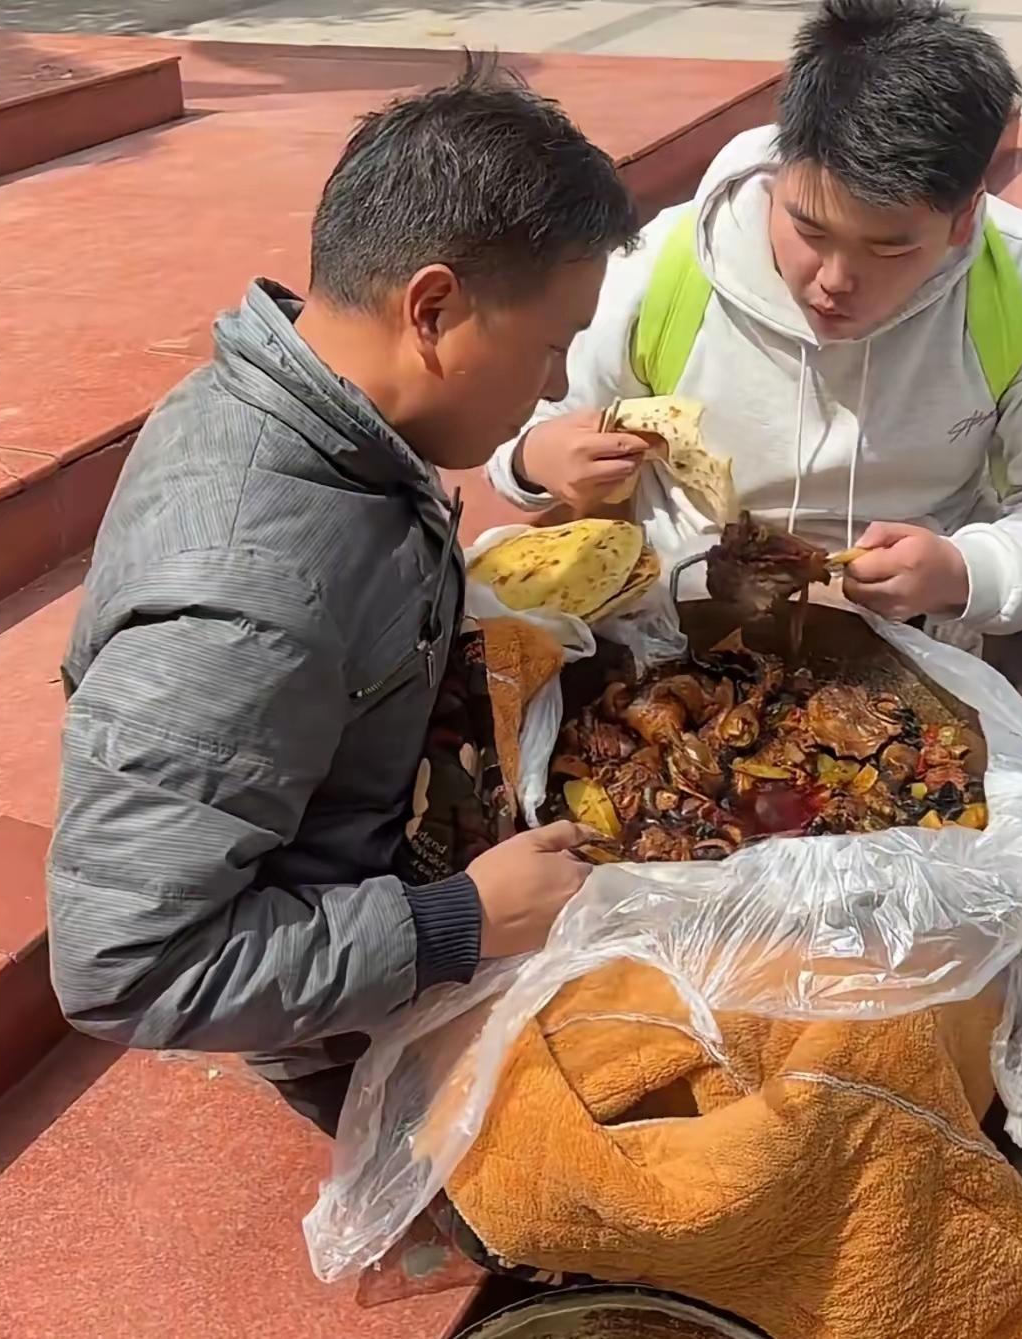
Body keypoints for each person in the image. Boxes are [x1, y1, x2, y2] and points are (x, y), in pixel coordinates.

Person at [486, 0, 1022, 1044]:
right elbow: (514, 420)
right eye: (808, 229)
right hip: (683, 634)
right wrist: (536, 457)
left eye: (889, 249)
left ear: (965, 216)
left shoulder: (1020, 285)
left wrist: (965, 566)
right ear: (779, 172)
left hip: (928, 630)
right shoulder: (665, 268)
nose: (834, 281)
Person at [46, 59, 638, 1135]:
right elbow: (122, 963)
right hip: (349, 997)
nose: (555, 388)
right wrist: (460, 920)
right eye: (552, 345)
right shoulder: (242, 604)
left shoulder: (323, 408)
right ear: (434, 307)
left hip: (384, 842)